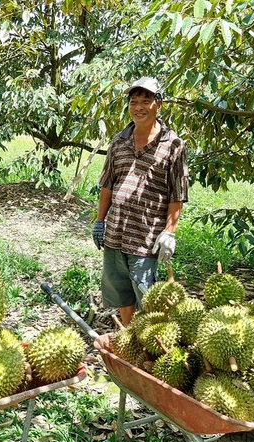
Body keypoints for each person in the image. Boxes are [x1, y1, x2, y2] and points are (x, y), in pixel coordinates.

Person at [92, 76, 189, 326]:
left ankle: (150, 343)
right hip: (116, 232)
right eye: (133, 102)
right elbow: (107, 186)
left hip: (146, 237)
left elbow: (177, 194)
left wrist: (170, 232)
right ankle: (128, 336)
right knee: (121, 290)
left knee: (148, 295)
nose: (139, 107)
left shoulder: (173, 145)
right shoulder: (119, 141)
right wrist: (100, 221)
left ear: (159, 104)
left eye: (146, 101)